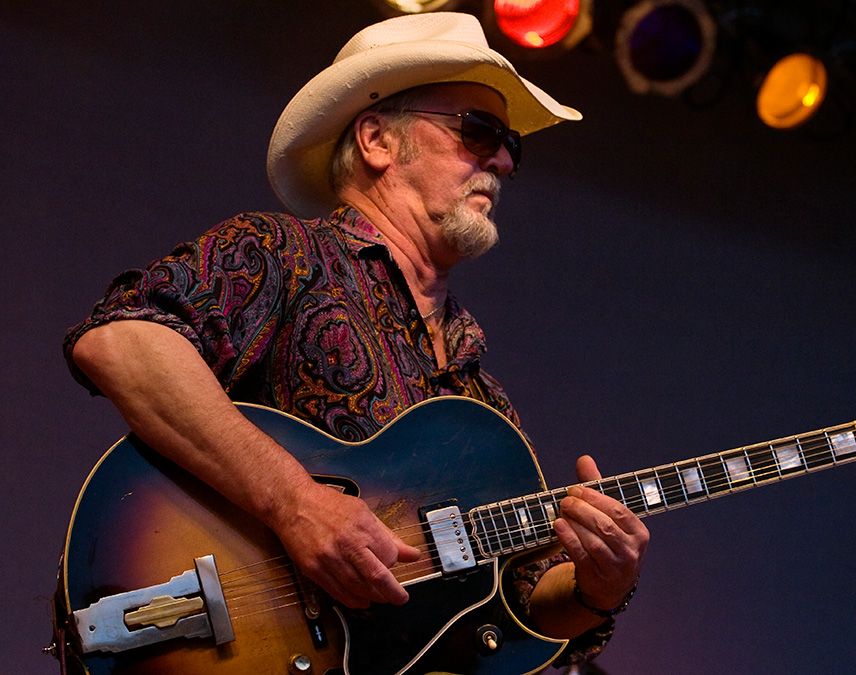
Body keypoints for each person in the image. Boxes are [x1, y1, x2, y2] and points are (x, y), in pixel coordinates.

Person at [63, 12, 648, 669]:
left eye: (514, 144)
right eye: (479, 130)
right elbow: (120, 340)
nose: (506, 160)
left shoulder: (482, 398)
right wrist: (293, 500)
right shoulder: (284, 253)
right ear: (376, 139)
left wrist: (599, 588)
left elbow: (517, 609)